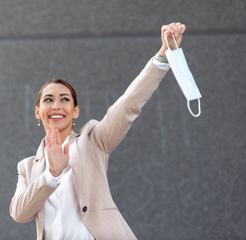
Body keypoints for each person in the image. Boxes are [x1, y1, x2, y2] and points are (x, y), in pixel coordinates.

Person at [10, 22, 186, 240]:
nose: (56, 105)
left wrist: (162, 56)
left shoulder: (92, 140)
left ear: (75, 112)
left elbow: (127, 106)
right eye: (48, 100)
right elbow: (20, 214)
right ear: (38, 112)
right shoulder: (27, 167)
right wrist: (51, 175)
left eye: (64, 99)